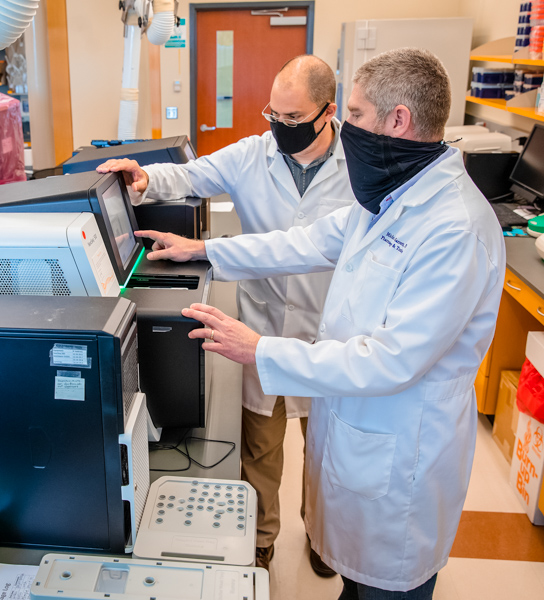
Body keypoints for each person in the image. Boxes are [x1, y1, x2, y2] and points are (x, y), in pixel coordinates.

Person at [135, 47, 505, 599]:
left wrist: (261, 350)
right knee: (352, 579)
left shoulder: (455, 228)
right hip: (355, 422)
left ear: (397, 120)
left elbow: (391, 360)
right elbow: (303, 241)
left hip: (400, 457)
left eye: (354, 114)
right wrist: (204, 251)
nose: (346, 127)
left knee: (385, 586)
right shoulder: (389, 195)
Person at [97, 55, 354, 575]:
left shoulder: (360, 160)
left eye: (292, 120)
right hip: (262, 321)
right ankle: (262, 536)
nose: (279, 128)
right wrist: (142, 177)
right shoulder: (252, 155)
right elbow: (189, 174)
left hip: (332, 329)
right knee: (261, 445)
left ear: (328, 111)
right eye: (273, 116)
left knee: (329, 450)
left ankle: (324, 536)